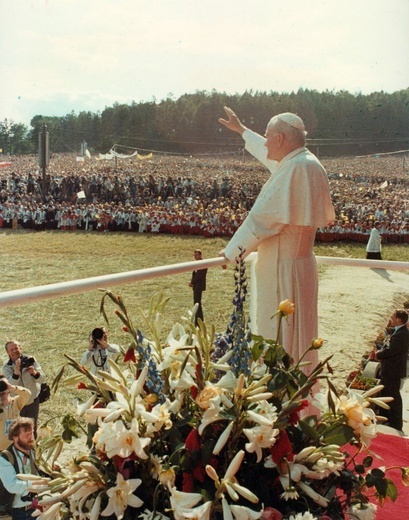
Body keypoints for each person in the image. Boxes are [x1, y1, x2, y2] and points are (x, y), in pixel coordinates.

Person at [218, 107, 335, 370]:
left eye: (269, 136)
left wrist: (232, 252)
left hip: (284, 269)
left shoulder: (297, 168)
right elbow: (270, 156)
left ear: (280, 139)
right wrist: (242, 131)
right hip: (295, 265)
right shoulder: (301, 162)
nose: (266, 142)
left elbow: (263, 219)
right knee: (296, 336)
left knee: (281, 340)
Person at [0, 417, 48, 519]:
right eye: (27, 435)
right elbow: (12, 486)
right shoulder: (5, 458)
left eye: (32, 433)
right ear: (15, 437)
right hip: (19, 513)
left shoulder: (35, 451)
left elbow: (46, 469)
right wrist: (37, 484)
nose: (31, 437)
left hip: (38, 507)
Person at [2, 341, 46, 436]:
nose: (14, 351)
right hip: (17, 404)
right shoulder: (7, 367)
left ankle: (33, 447)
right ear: (8, 352)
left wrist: (34, 373)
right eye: (11, 350)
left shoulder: (31, 360)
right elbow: (10, 386)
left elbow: (43, 378)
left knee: (32, 427)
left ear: (20, 349)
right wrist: (17, 370)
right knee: (18, 430)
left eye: (16, 348)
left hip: (32, 401)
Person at [376, 309, 409, 430]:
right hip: (390, 369)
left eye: (393, 317)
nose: (391, 318)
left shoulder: (402, 334)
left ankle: (395, 423)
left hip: (393, 371)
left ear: (399, 320)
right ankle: (386, 418)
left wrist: (379, 354)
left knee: (393, 396)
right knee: (386, 393)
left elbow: (392, 350)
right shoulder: (399, 332)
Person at [0, 375, 31, 451]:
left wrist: (13, 388)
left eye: (4, 383)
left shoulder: (16, 402)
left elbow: (27, 394)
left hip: (15, 447)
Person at [189, 249, 208, 325]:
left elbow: (199, 276)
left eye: (196, 255)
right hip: (196, 285)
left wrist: (192, 282)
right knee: (196, 303)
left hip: (199, 285)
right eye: (194, 255)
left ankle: (198, 321)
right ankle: (198, 320)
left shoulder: (203, 264)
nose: (195, 257)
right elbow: (194, 274)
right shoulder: (196, 263)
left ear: (200, 255)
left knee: (197, 303)